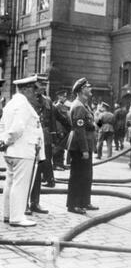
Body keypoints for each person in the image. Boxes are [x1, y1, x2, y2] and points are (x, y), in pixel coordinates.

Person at [0, 76, 45, 227]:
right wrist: (7, 140)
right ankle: (17, 217)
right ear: (25, 89)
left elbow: (2, 125)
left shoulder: (11, 104)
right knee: (20, 184)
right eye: (33, 89)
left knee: (10, 183)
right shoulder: (23, 105)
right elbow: (18, 128)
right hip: (22, 150)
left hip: (11, 151)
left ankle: (7, 215)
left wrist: (3, 141)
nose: (35, 93)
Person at [66, 78, 99, 214]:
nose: (90, 89)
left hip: (85, 145)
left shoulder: (84, 105)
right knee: (78, 175)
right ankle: (74, 205)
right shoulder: (79, 106)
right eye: (87, 87)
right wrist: (85, 150)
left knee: (86, 175)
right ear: (81, 90)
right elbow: (80, 130)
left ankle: (84, 202)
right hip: (80, 147)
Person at [28, 75, 57, 215]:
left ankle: (35, 202)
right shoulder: (27, 100)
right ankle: (24, 203)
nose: (43, 87)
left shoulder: (48, 101)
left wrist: (53, 138)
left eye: (45, 84)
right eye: (41, 85)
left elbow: (51, 121)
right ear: (34, 86)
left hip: (44, 139)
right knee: (27, 172)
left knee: (39, 172)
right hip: (30, 139)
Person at [53, 90, 71, 171]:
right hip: (60, 129)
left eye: (65, 96)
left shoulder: (65, 106)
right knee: (58, 147)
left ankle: (61, 163)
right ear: (59, 97)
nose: (64, 98)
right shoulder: (57, 106)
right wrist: (59, 130)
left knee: (62, 147)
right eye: (63, 96)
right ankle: (57, 164)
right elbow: (57, 120)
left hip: (65, 129)